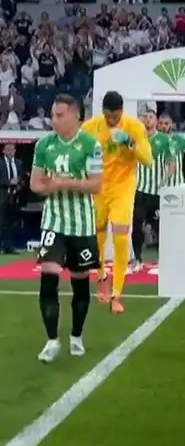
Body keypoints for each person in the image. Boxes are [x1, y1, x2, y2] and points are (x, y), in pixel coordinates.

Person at [32, 94, 103, 362]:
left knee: (80, 281)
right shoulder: (44, 145)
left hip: (83, 224)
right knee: (48, 273)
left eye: (60, 115)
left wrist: (61, 183)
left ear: (75, 115)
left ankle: (76, 335)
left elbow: (96, 184)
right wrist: (59, 184)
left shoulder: (91, 145)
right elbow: (36, 185)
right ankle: (51, 341)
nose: (54, 120)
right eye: (53, 115)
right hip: (54, 221)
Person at [81, 91, 153, 314]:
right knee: (98, 235)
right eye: (108, 115)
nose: (112, 119)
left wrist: (129, 142)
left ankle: (116, 294)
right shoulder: (90, 128)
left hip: (123, 188)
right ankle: (101, 277)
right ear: (103, 112)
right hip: (99, 187)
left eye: (116, 115)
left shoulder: (134, 126)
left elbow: (147, 160)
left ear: (122, 111)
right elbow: (79, 154)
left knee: (121, 237)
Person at [132, 109, 176, 272]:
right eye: (145, 117)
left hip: (157, 191)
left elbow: (171, 163)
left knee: (160, 227)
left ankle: (162, 258)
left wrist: (164, 181)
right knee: (137, 224)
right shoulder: (136, 139)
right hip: (139, 190)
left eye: (151, 117)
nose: (147, 120)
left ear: (156, 121)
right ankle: (137, 259)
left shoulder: (164, 140)